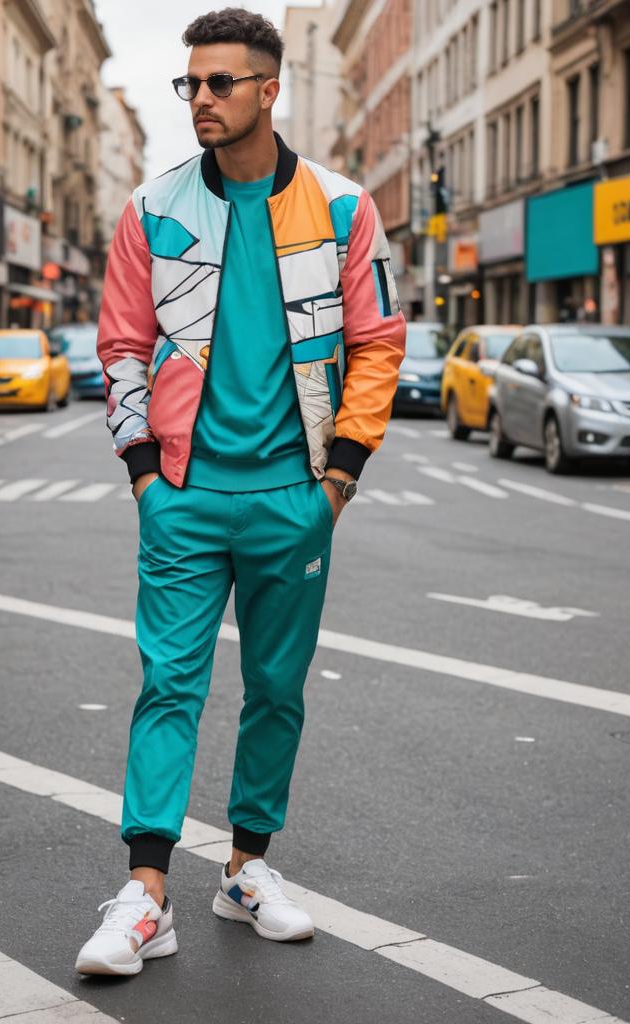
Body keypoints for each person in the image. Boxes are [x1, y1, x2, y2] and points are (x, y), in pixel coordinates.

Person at [76, 7, 405, 977]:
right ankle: (144, 893)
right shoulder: (154, 206)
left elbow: (376, 342)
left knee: (274, 690)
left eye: (221, 83)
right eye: (191, 84)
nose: (201, 101)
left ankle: (246, 867)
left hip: (293, 497)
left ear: (270, 87)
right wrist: (144, 474)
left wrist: (337, 479)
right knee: (167, 683)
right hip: (182, 494)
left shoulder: (344, 209)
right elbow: (122, 343)